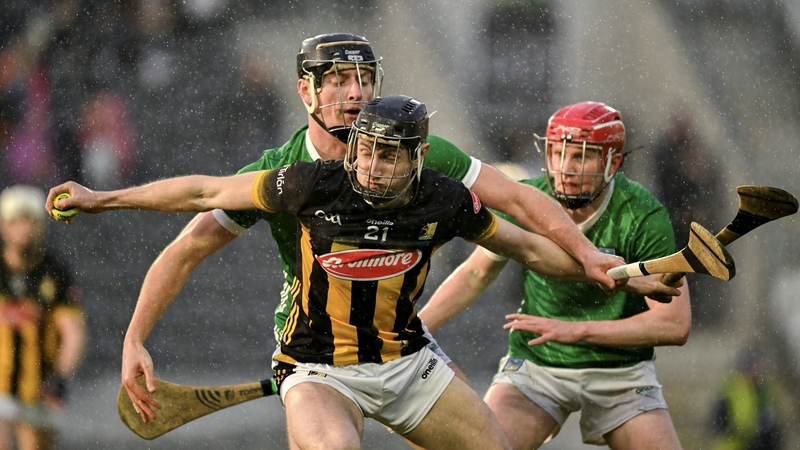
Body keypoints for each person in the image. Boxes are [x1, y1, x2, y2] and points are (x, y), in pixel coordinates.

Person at [47, 94, 640, 449]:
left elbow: (529, 248)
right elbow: (203, 190)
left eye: (388, 155)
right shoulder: (309, 183)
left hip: (407, 363)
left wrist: (605, 270)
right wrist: (102, 198)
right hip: (316, 366)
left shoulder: (445, 198)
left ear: (417, 155)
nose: (371, 165)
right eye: (364, 149)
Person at [419, 101, 690, 450]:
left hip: (621, 373)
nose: (565, 168)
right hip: (536, 367)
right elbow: (474, 273)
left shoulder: (643, 216)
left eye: (581, 157)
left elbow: (674, 325)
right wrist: (415, 330)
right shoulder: (531, 201)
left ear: (613, 162)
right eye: (557, 153)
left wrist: (577, 331)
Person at [0, 185, 86, 450]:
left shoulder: (55, 272)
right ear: (3, 226)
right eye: (15, 221)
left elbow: (73, 333)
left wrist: (59, 378)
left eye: (29, 221)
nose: (22, 229)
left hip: (38, 385)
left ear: (41, 226)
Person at [709, 344, 785, 450]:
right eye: (752, 366)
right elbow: (719, 420)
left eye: (758, 366)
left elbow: (771, 423)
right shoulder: (732, 389)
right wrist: (738, 431)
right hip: (734, 446)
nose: (756, 371)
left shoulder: (764, 391)